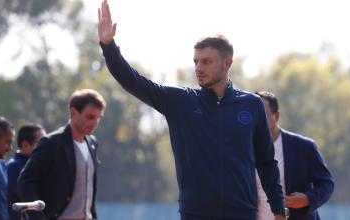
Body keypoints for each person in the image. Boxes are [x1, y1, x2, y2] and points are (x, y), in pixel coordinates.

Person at [97, 1, 287, 219]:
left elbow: (266, 163)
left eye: (206, 62)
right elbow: (133, 81)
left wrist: (279, 211)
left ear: (227, 63)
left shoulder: (252, 104)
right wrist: (109, 47)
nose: (198, 68)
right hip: (195, 214)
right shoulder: (180, 101)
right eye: (196, 61)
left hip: (242, 213)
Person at [18, 89, 106, 220]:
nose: (95, 123)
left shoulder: (93, 143)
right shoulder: (52, 143)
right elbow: (25, 181)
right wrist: (38, 217)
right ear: (73, 112)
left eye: (98, 118)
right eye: (90, 117)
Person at [255, 91, 334, 220]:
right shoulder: (243, 150)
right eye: (255, 117)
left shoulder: (304, 147)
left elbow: (327, 183)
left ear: (277, 116)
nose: (259, 123)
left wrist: (307, 198)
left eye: (264, 116)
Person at [7, 124, 46, 220]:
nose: (45, 147)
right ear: (25, 145)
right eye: (41, 143)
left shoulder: (35, 165)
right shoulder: (14, 167)